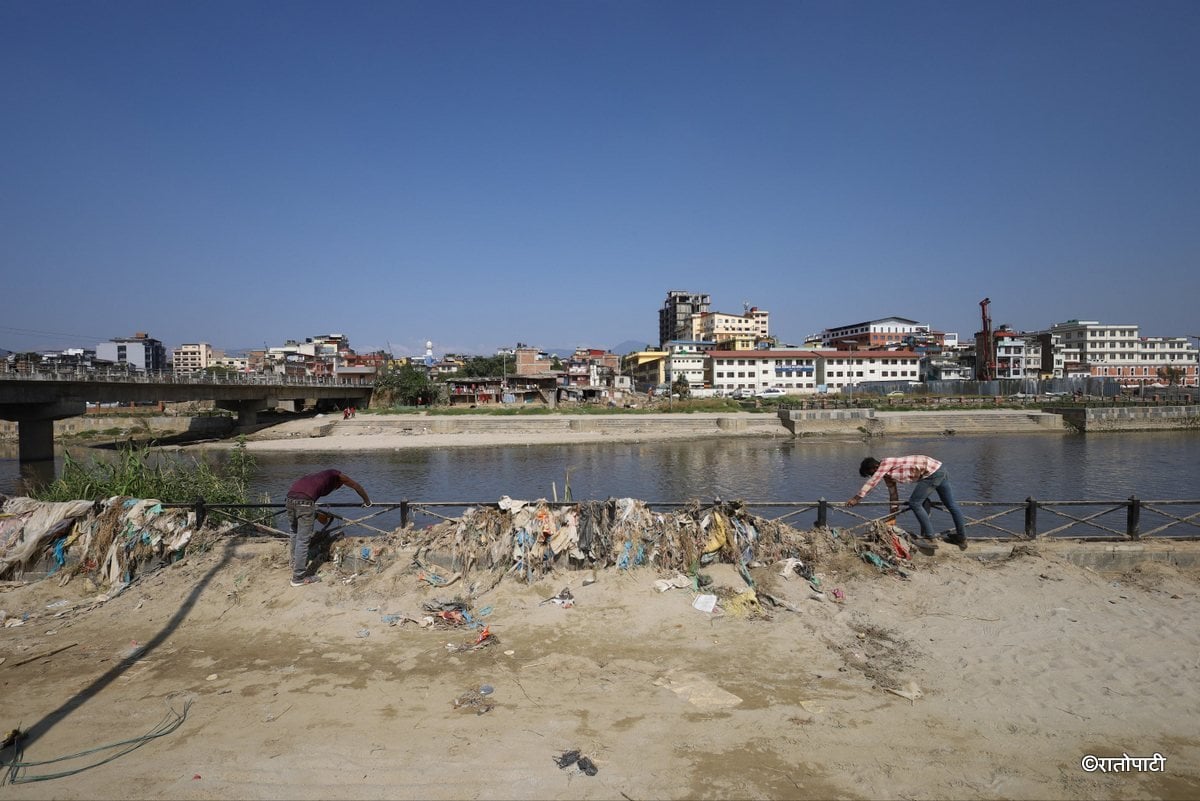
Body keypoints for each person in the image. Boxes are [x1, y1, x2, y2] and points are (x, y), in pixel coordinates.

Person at [847, 455, 967, 549]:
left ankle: (930, 538)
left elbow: (872, 482)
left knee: (915, 503)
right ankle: (961, 537)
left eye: (871, 473)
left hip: (932, 473)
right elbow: (893, 495)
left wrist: (856, 498)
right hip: (939, 469)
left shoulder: (885, 463)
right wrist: (892, 517)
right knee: (951, 505)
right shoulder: (888, 473)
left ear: (874, 468)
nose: (873, 475)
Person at [285, 469, 371, 586]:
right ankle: (298, 578)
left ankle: (294, 563)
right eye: (340, 485)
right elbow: (356, 486)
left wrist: (314, 513)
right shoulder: (338, 476)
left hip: (290, 499)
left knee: (294, 533)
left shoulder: (316, 476)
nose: (340, 487)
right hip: (304, 502)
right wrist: (367, 501)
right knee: (303, 540)